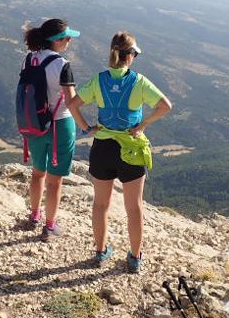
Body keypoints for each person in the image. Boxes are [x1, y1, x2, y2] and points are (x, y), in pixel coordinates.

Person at [67, 31, 172, 273]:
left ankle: (101, 252)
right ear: (130, 56)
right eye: (135, 53)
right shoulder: (139, 81)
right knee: (134, 208)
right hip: (131, 149)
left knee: (100, 205)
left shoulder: (98, 80)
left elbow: (72, 105)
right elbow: (165, 106)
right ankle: (135, 258)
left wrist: (87, 128)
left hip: (103, 147)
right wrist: (143, 124)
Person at [21, 19, 80, 241]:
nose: (69, 40)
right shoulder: (62, 65)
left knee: (37, 173)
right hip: (60, 125)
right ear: (56, 40)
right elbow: (71, 102)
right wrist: (86, 126)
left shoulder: (29, 59)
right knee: (55, 180)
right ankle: (50, 226)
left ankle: (34, 216)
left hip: (34, 125)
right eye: (66, 37)